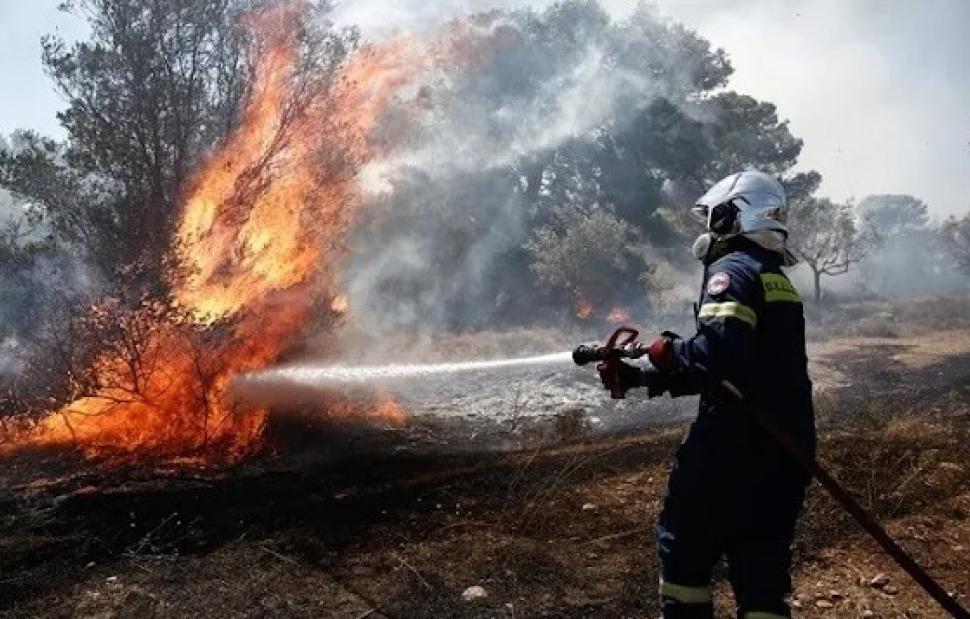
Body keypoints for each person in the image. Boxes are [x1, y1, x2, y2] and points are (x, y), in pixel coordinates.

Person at [601, 170, 816, 618]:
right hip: (785, 449)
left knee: (684, 548)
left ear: (730, 217)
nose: (709, 229)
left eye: (713, 217)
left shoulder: (731, 271)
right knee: (761, 572)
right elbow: (736, 370)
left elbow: (718, 355)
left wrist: (666, 351)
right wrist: (644, 378)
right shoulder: (775, 277)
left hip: (733, 445)